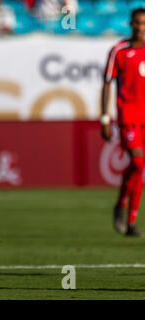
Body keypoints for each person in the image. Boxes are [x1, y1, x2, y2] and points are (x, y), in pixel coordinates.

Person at [101, 8, 145, 237]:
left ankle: (131, 220)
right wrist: (105, 118)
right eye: (137, 23)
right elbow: (107, 84)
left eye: (144, 23)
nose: (140, 27)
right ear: (130, 24)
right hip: (128, 115)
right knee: (138, 163)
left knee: (140, 168)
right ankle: (120, 205)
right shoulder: (118, 50)